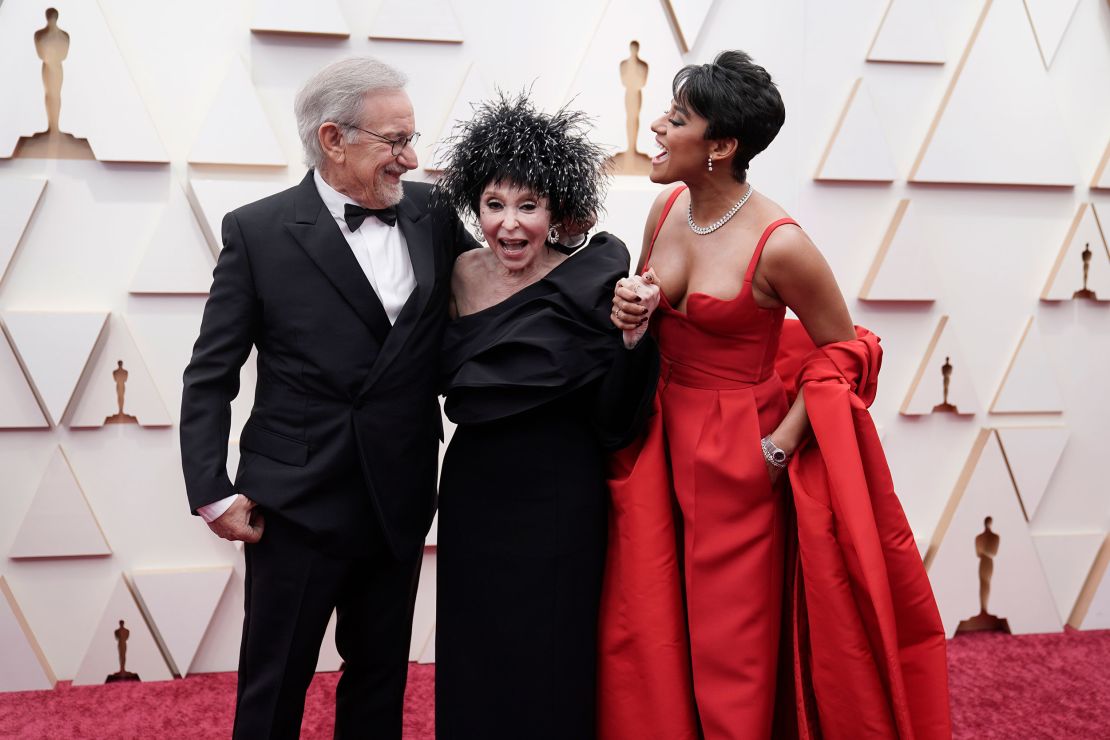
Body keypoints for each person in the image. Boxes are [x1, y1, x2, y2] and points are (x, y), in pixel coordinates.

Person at [603, 51, 951, 739]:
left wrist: (778, 446)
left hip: (737, 460)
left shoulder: (781, 243)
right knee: (649, 625)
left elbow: (849, 349)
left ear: (722, 147)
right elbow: (649, 320)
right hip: (656, 438)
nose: (656, 131)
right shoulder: (666, 206)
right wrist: (631, 312)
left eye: (675, 119)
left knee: (730, 647)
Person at [179, 57, 475, 739]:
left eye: (411, 137)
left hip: (397, 492)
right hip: (296, 502)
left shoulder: (432, 212)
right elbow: (211, 372)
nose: (411, 156)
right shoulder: (256, 231)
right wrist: (212, 490)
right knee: (275, 683)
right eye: (394, 141)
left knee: (379, 684)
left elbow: (486, 291)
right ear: (334, 139)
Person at [432, 93, 659, 739]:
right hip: (476, 488)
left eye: (528, 205)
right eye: (495, 204)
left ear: (555, 211)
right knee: (476, 645)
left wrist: (634, 339)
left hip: (562, 491)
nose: (510, 224)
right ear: (474, 206)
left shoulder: (595, 281)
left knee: (554, 651)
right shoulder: (450, 276)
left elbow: (618, 418)